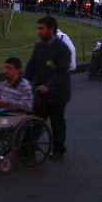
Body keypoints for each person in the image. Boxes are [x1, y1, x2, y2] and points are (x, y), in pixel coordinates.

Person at [24, 16, 71, 158]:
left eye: (42, 28)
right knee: (36, 120)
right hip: (41, 92)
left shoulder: (62, 49)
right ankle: (27, 147)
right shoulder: (39, 46)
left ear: (51, 30)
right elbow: (31, 66)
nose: (39, 31)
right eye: (38, 28)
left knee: (57, 122)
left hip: (57, 94)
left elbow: (62, 74)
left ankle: (58, 148)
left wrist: (48, 86)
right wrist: (23, 80)